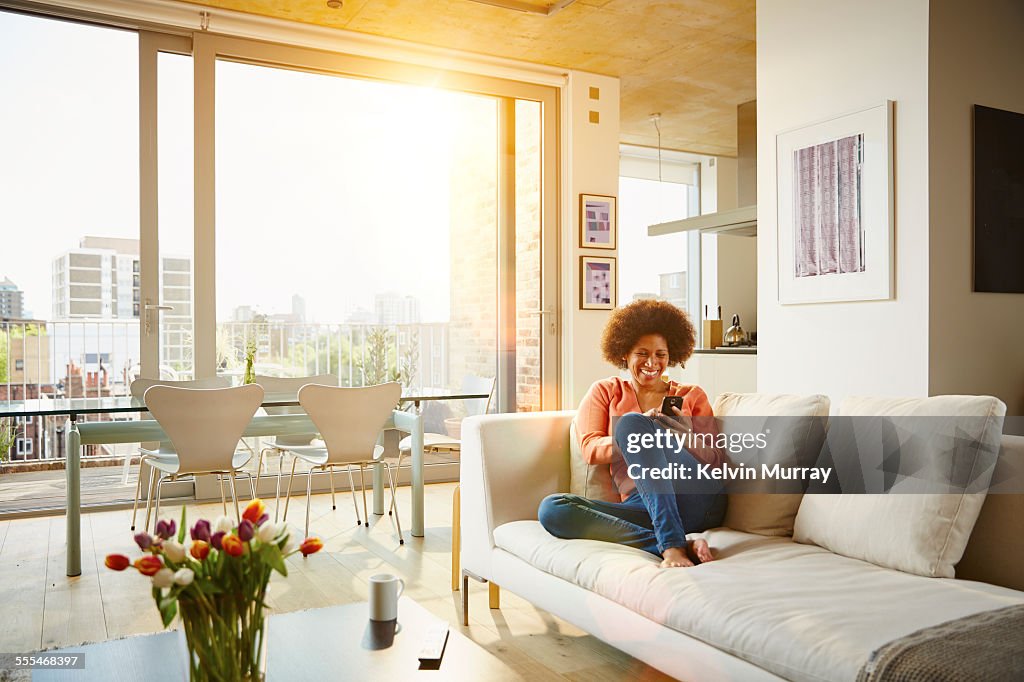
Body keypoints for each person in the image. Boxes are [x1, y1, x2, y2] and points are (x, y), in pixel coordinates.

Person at [538, 299, 727, 568]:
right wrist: (637, 435)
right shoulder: (605, 391)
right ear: (624, 354)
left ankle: (672, 546)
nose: (652, 363)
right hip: (645, 504)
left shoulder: (690, 395)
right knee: (553, 509)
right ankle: (677, 544)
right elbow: (590, 448)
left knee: (630, 424)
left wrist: (682, 437)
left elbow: (716, 461)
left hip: (698, 497)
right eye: (642, 353)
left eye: (661, 354)